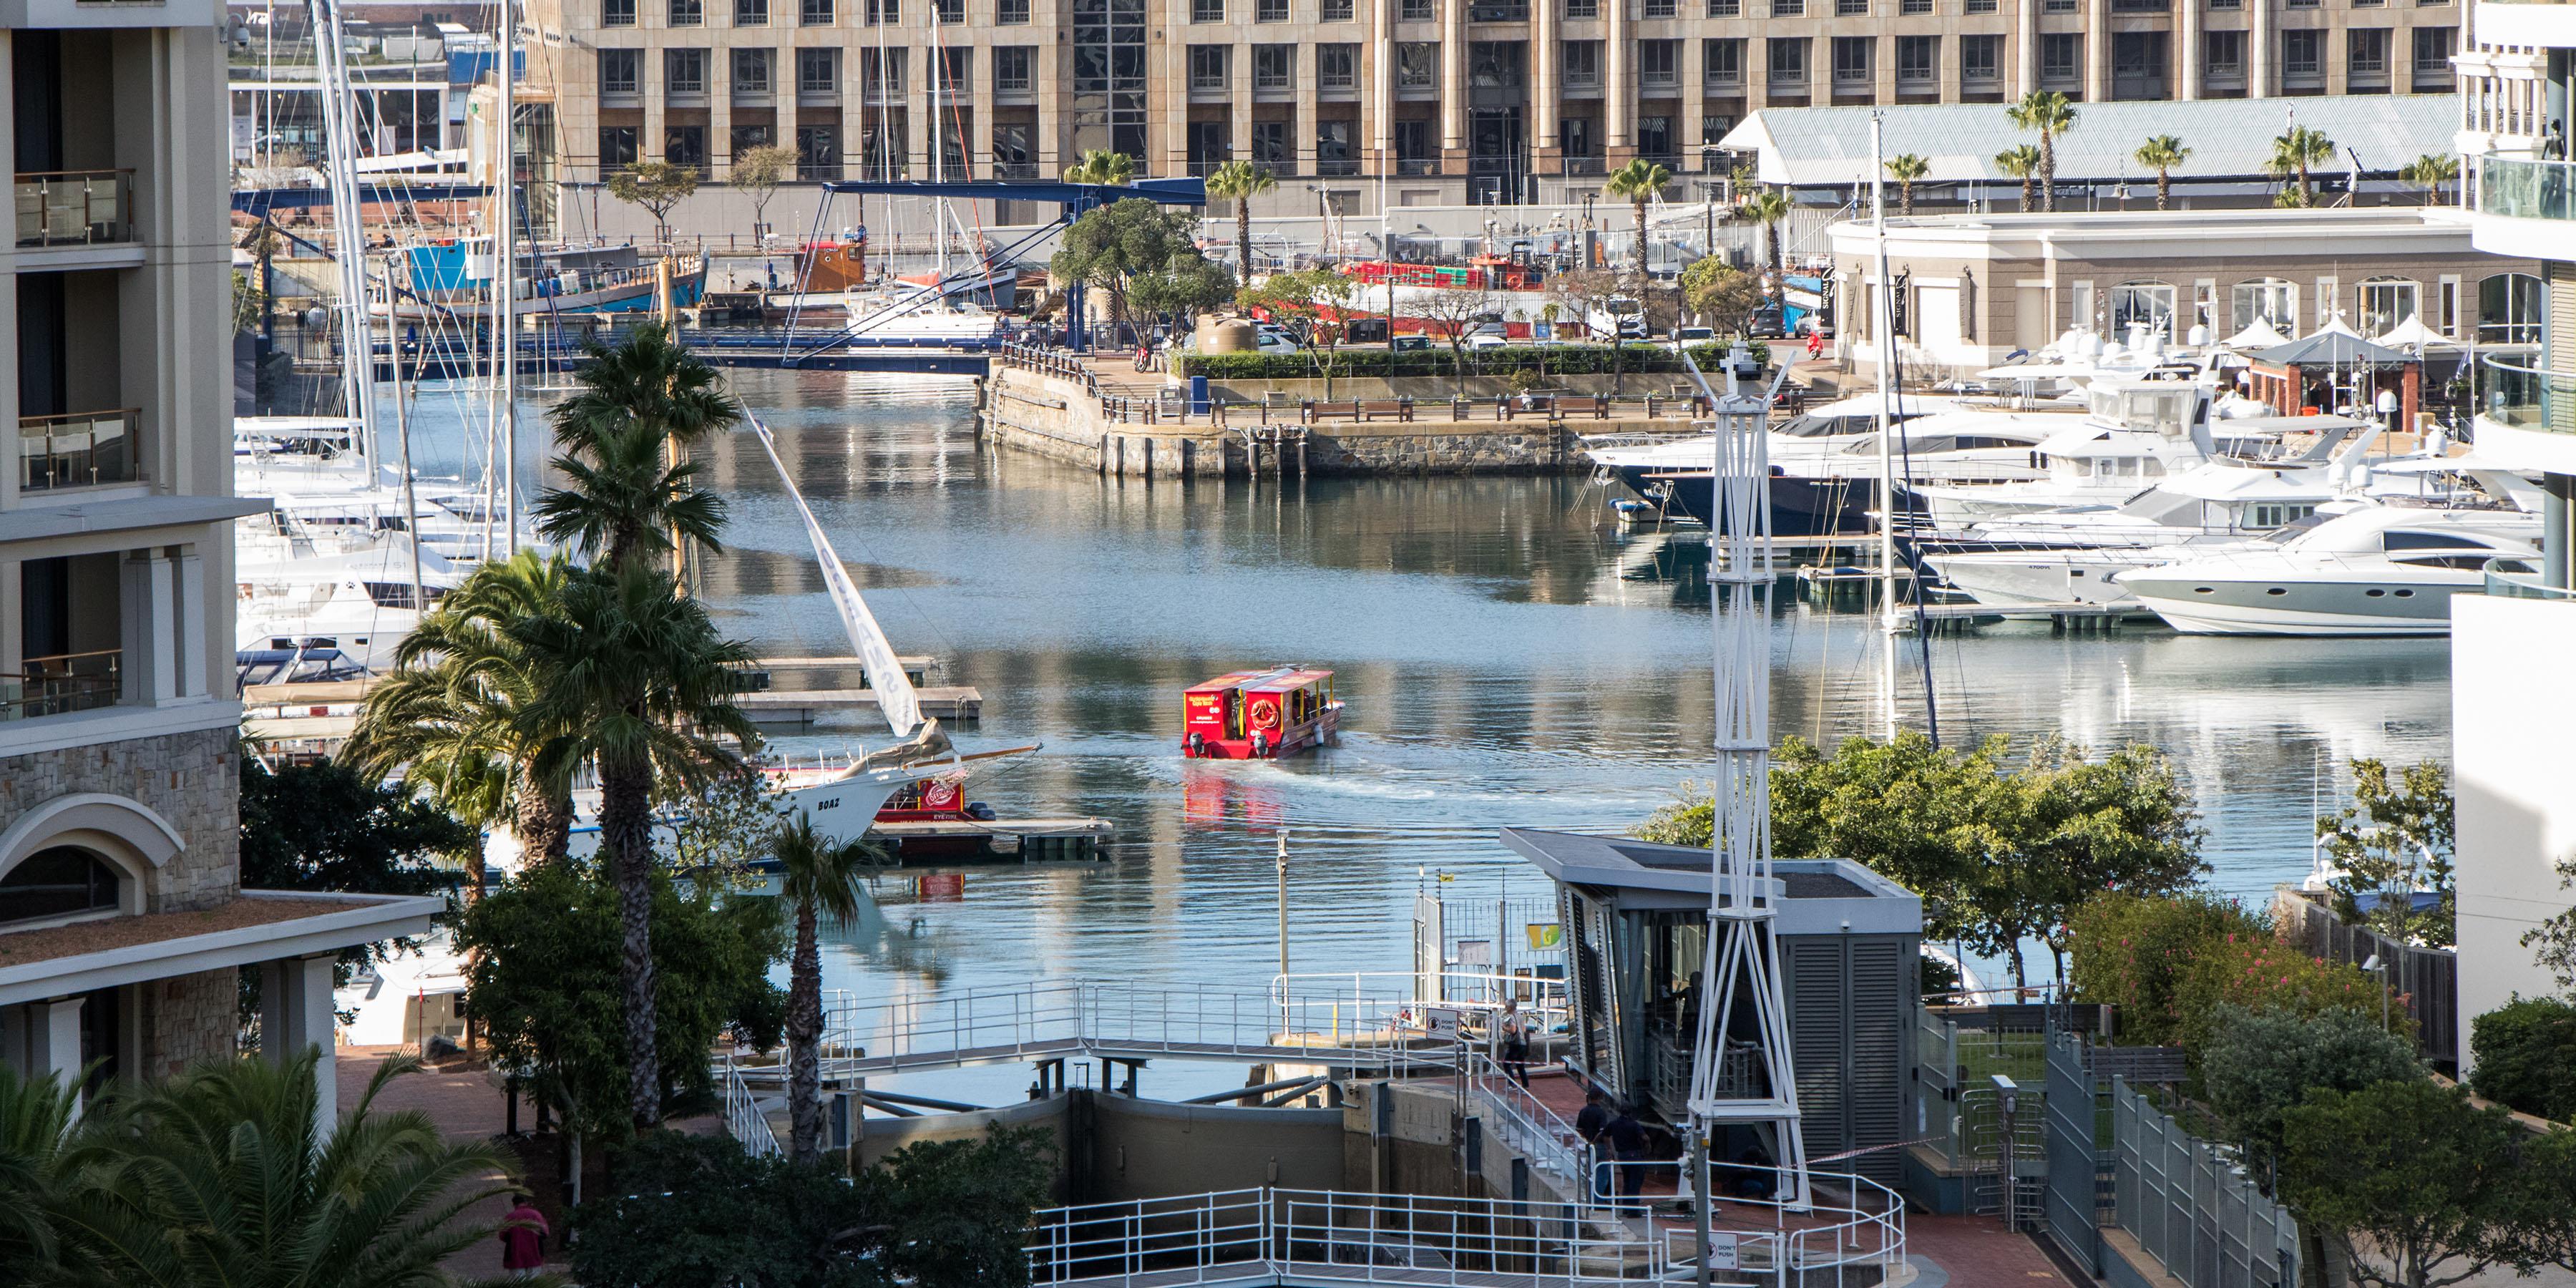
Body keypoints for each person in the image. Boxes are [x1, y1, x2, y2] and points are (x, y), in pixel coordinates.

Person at [1605, 1103, 1650, 1210]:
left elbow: (1606, 1135)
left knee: (1627, 1180)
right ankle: (1633, 1210)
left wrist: (1609, 1149)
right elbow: (1645, 1138)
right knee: (1635, 1182)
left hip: (1622, 1155)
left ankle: (1626, 1207)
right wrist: (1648, 1146)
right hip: (1634, 1155)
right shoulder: (1634, 1124)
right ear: (1630, 1113)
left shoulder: (1613, 1124)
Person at [498, 1193, 550, 1277]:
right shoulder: (536, 1215)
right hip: (535, 1254)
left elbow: (502, 1236)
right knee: (534, 1283)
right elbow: (545, 1233)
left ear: (514, 1204)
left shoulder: (510, 1217)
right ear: (526, 1203)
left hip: (515, 1255)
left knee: (518, 1283)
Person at [1574, 1089, 1612, 1202]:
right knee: (1602, 1175)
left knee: (1592, 1173)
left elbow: (1579, 1129)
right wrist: (1607, 1148)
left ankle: (1591, 1200)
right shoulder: (1601, 1112)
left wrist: (1588, 1139)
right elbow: (1603, 1132)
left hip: (1589, 1146)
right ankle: (1597, 1202)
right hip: (1599, 1146)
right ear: (1599, 1098)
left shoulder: (1583, 1111)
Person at [1498, 1000, 1531, 1087]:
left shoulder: (1511, 1017)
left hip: (1515, 1044)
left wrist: (1505, 1029)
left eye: (1506, 1006)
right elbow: (1523, 1030)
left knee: (1506, 1064)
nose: (1505, 1008)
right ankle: (1525, 1085)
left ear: (1510, 1007)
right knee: (1520, 1066)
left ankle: (1512, 1083)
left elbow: (1513, 1030)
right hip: (1523, 1043)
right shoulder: (1520, 1016)